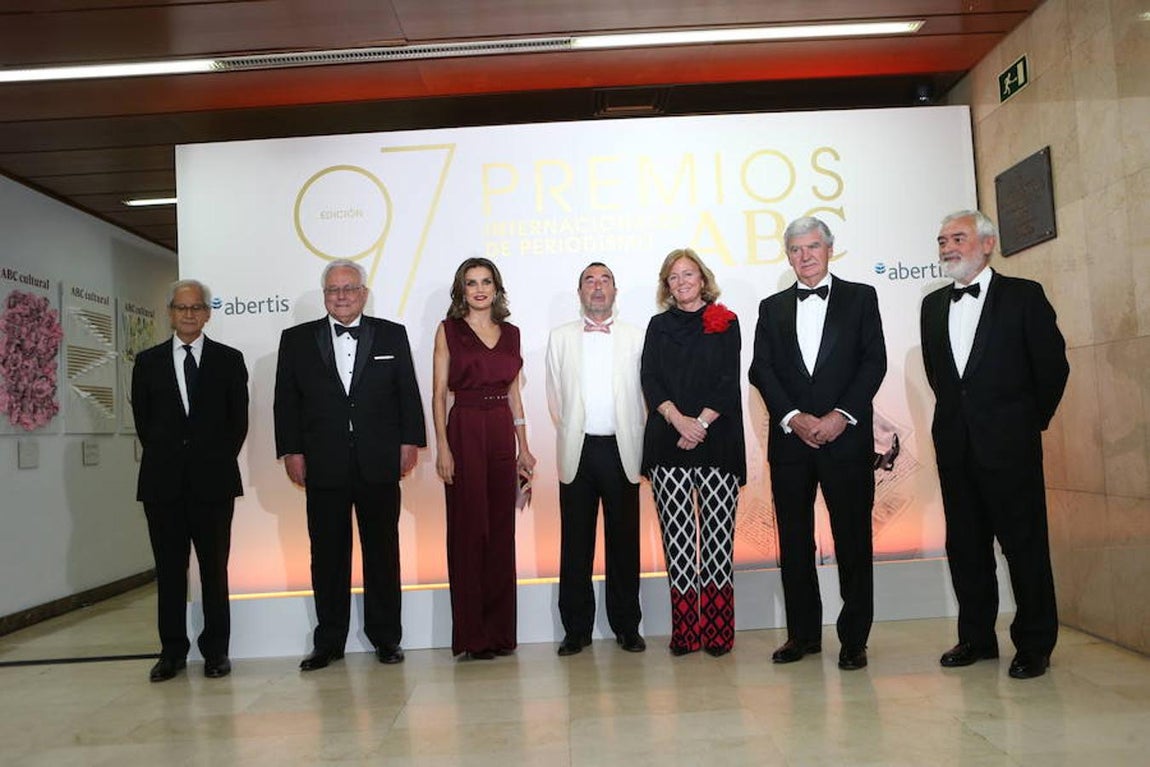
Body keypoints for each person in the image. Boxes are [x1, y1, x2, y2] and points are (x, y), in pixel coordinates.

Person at [922, 210, 1068, 680]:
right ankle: (976, 638)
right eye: (942, 240)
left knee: (1024, 547)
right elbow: (943, 380)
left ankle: (1034, 644)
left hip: (1011, 447)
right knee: (966, 547)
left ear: (987, 244)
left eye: (958, 238)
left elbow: (1052, 368)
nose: (947, 247)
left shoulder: (1024, 296)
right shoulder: (931, 305)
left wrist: (1025, 424)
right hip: (955, 447)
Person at [748, 216, 886, 671]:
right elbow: (761, 370)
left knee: (853, 541)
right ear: (786, 255)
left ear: (830, 249)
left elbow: (874, 362)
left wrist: (840, 417)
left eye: (812, 247)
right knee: (793, 542)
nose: (804, 256)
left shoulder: (861, 297)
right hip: (790, 444)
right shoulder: (771, 307)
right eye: (795, 250)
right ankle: (803, 635)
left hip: (845, 441)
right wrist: (793, 418)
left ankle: (854, 640)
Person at [273, 258, 426, 671]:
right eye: (333, 290)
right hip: (323, 463)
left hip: (379, 461)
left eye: (349, 288)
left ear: (363, 293)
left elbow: (407, 393)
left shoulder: (391, 335)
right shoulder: (296, 340)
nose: (341, 296)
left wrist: (410, 441)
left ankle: (385, 638)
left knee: (382, 552)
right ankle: (329, 641)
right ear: (325, 296)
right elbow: (286, 402)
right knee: (327, 555)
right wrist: (291, 451)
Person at [132, 279, 249, 682]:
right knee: (169, 571)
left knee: (215, 570)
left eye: (196, 307)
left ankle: (216, 652)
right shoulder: (146, 362)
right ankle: (172, 652)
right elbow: (145, 424)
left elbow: (238, 423)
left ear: (207, 312)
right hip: (162, 485)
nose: (188, 314)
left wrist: (209, 460)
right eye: (181, 308)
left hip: (213, 483)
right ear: (170, 312)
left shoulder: (228, 360)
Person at [641, 248, 745, 657]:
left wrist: (699, 424)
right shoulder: (657, 325)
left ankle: (719, 632)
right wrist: (677, 420)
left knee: (718, 541)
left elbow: (728, 381)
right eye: (673, 277)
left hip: (717, 443)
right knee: (678, 542)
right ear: (666, 285)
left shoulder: (726, 321)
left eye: (688, 274)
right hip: (668, 443)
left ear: (703, 278)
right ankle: (686, 632)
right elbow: (649, 378)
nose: (682, 282)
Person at [432, 257, 535, 660]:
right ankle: (472, 637)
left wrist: (523, 446)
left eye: (486, 282)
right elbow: (439, 393)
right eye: (471, 282)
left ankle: (499, 635)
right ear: (462, 290)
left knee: (499, 532)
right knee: (468, 531)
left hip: (498, 433)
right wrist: (442, 445)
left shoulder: (511, 334)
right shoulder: (449, 331)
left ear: (497, 288)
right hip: (464, 428)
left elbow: (513, 395)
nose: (479, 289)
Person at [545, 262, 647, 657]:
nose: (598, 287)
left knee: (625, 543)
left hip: (623, 449)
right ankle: (576, 630)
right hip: (578, 450)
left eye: (605, 280)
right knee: (575, 544)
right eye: (590, 280)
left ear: (615, 290)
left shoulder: (637, 337)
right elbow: (556, 397)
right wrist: (572, 430)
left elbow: (644, 395)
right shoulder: (560, 338)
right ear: (580, 291)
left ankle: (626, 626)